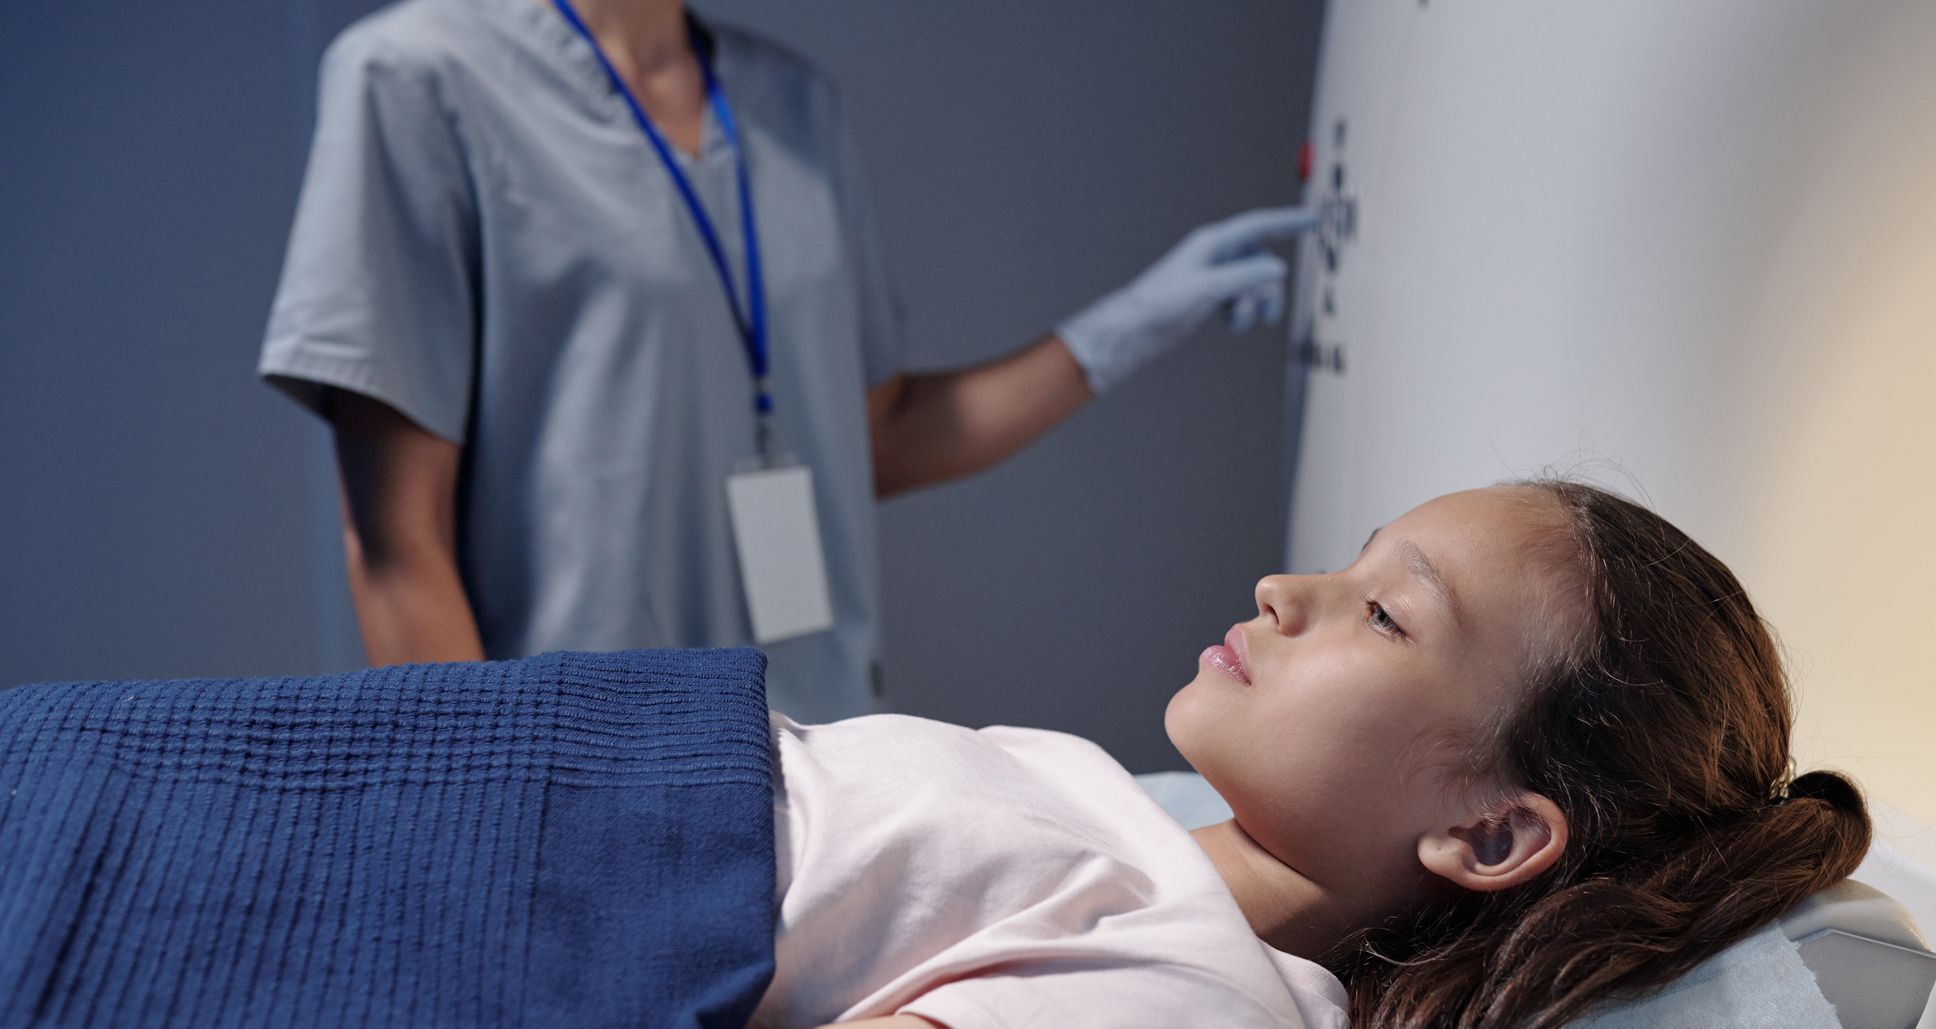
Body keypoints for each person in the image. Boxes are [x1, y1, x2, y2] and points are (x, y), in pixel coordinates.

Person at [724, 479, 1872, 1029]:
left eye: (1386, 615)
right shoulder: (1110, 806)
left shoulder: (1207, 1015)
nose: (1282, 590)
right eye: (1353, 562)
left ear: (1490, 831)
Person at [259, 0, 1312, 722]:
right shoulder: (416, 79)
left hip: (824, 755)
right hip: (582, 769)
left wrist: (1129, 322)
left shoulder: (793, 107)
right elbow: (397, 545)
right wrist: (500, 823)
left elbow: (875, 440)